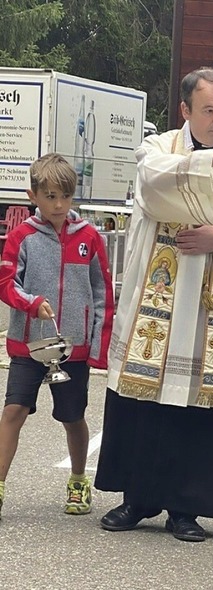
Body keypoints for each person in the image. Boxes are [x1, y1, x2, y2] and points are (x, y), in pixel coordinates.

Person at [94, 67, 213, 542]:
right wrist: (211, 161)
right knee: (148, 395)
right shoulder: (159, 149)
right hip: (162, 294)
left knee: (202, 400)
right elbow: (153, 186)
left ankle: (188, 507)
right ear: (185, 110)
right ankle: (138, 498)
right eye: (209, 111)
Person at [0, 153, 113, 519]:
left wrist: (98, 348)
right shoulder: (21, 237)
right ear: (33, 195)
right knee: (13, 411)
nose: (59, 204)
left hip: (73, 349)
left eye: (65, 195)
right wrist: (31, 303)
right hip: (28, 346)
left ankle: (78, 480)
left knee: (72, 416)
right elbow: (5, 284)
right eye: (49, 196)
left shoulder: (91, 238)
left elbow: (103, 295)